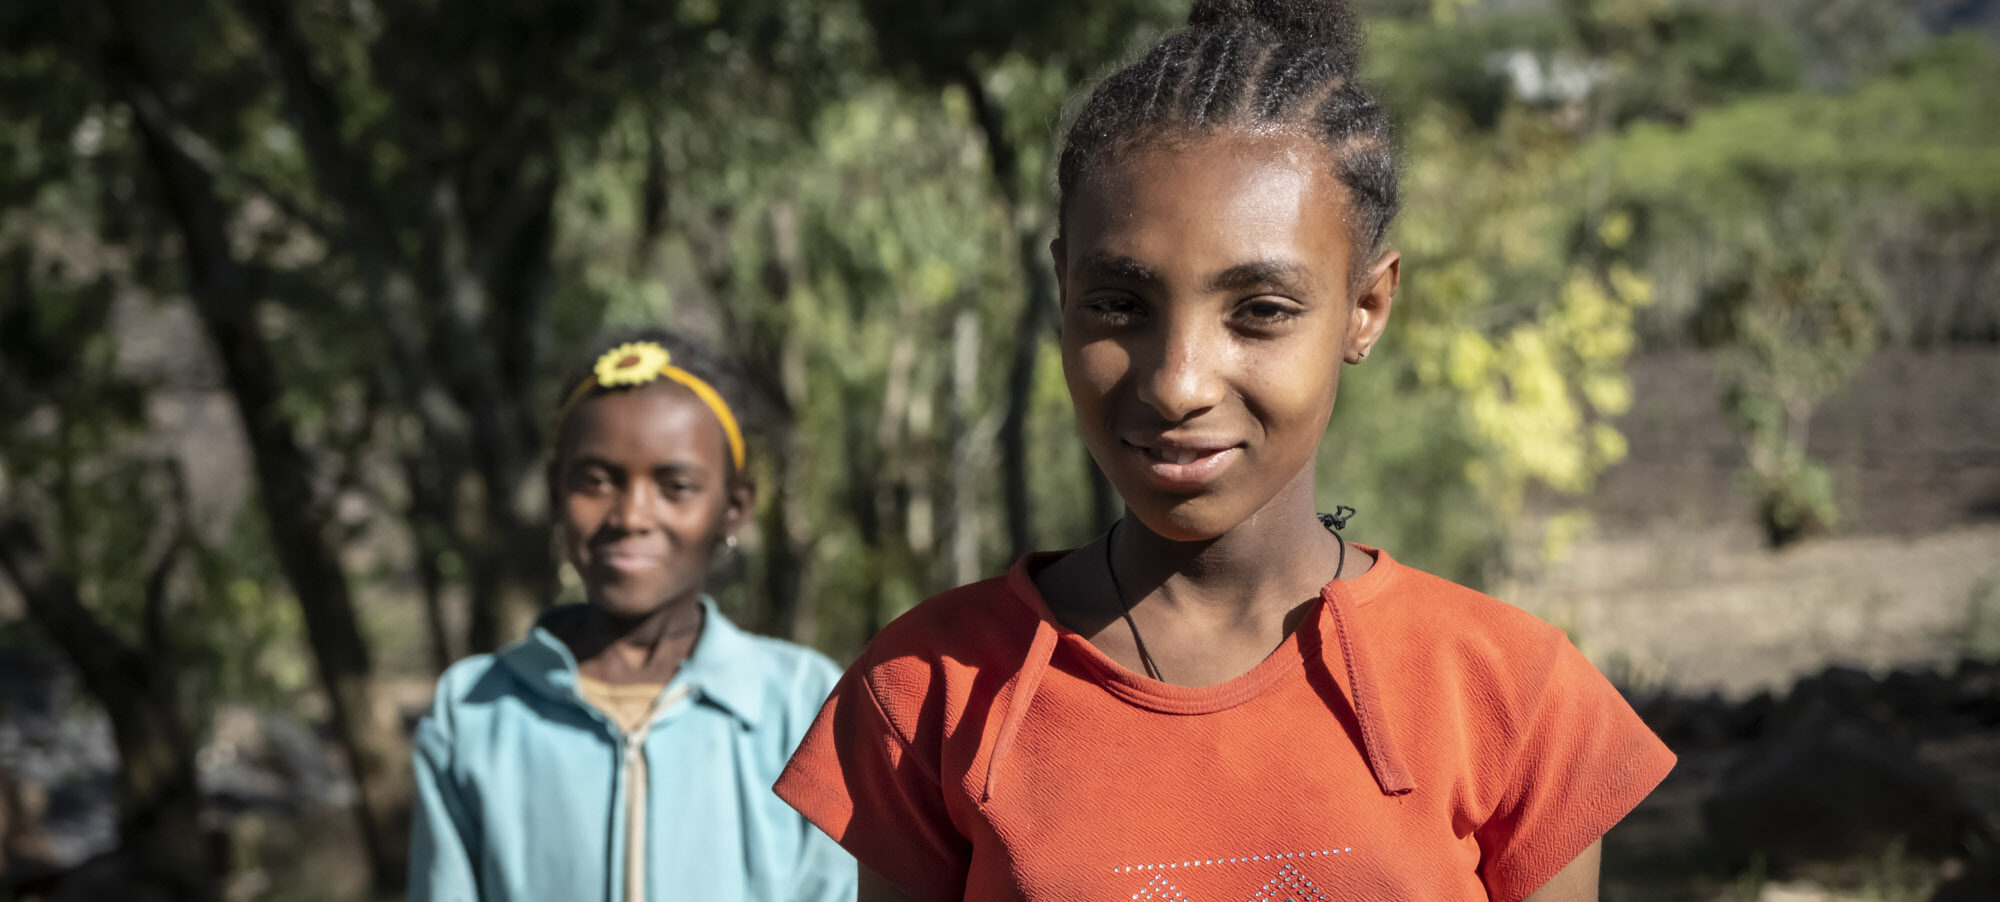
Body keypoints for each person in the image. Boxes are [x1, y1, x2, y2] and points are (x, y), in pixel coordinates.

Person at [772, 1, 1674, 900]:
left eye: (1262, 311)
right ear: (1061, 287)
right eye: (1120, 305)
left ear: (1367, 308)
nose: (1178, 382)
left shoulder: (1507, 693)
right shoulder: (931, 690)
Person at [409, 331, 855, 902]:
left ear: (734, 508)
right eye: (596, 481)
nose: (630, 515)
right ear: (553, 492)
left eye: (676, 487)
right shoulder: (473, 711)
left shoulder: (804, 705)